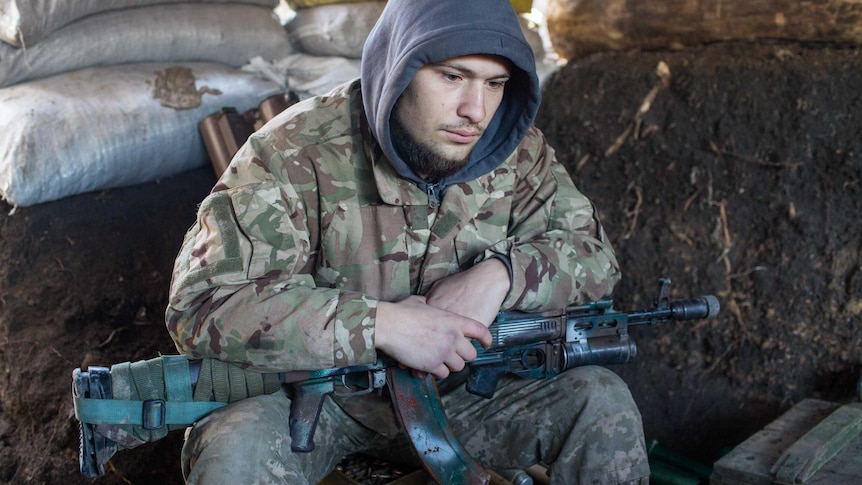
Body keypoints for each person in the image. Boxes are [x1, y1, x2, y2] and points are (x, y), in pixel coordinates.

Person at [165, 0, 650, 483]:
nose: (474, 112)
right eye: (452, 77)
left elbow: (594, 255)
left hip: (466, 397)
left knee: (599, 400)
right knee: (234, 449)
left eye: (495, 84)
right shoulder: (294, 150)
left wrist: (502, 275)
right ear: (399, 68)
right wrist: (383, 324)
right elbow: (205, 303)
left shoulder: (517, 154)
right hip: (315, 398)